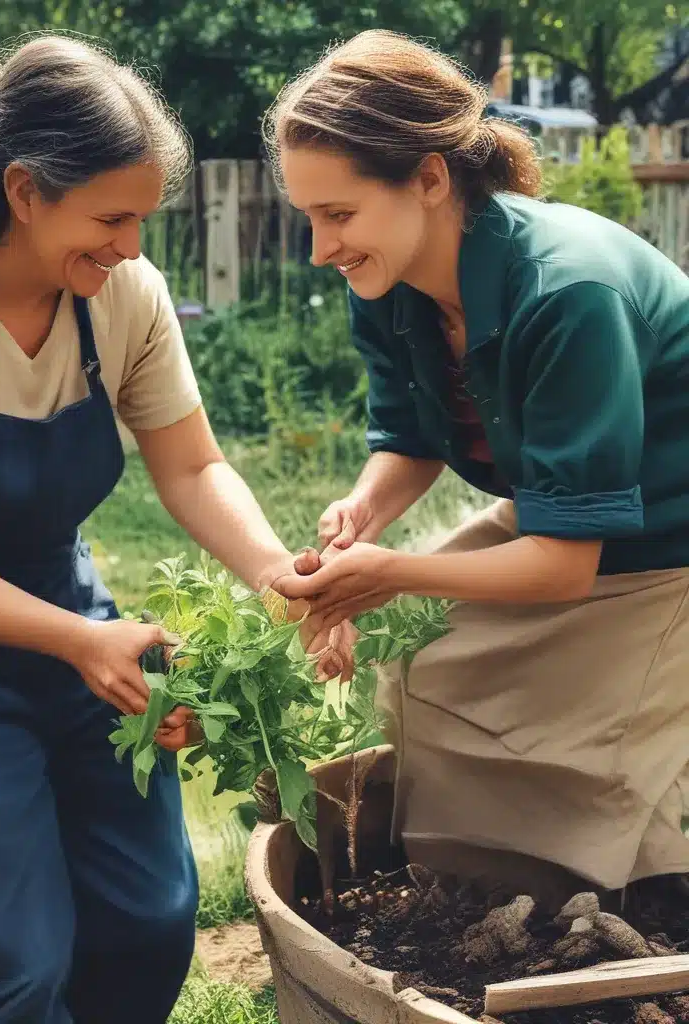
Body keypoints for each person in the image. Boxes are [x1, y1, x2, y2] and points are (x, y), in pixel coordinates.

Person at [0, 34, 352, 1024]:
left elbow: (194, 465)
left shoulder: (123, 296)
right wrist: (79, 640)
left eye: (142, 219)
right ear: (24, 192)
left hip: (68, 607)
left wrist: (276, 574)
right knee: (4, 967)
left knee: (150, 915)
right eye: (111, 218)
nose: (131, 247)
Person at [265, 29, 689, 908]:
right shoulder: (390, 284)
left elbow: (566, 566)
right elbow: (412, 442)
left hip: (666, 534)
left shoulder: (567, 293)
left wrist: (390, 575)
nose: (319, 248)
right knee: (425, 662)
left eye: (337, 214)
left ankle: (615, 892)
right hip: (569, 517)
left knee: (549, 720)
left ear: (428, 178)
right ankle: (482, 883)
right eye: (309, 217)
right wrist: (363, 516)